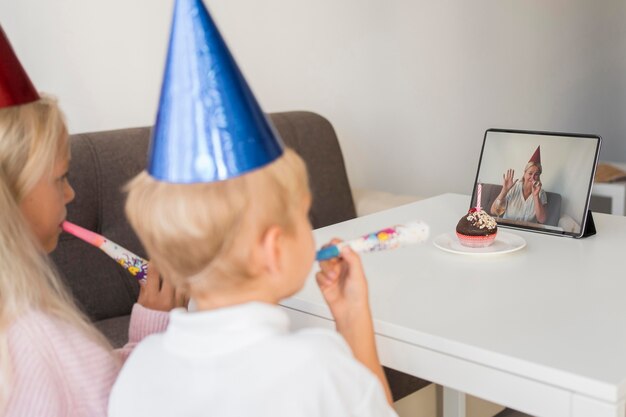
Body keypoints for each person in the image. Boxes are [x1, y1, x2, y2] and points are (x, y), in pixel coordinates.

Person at [108, 0, 396, 415]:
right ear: (273, 247)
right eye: (303, 215)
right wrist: (353, 322)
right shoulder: (318, 367)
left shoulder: (138, 372)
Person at [0, 26, 180, 416]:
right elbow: (125, 402)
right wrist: (155, 331)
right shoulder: (40, 342)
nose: (70, 195)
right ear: (10, 195)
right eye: (60, 179)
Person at [490, 146, 548, 224]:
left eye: (536, 174)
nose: (533, 177)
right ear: (524, 173)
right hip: (509, 227)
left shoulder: (541, 193)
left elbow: (542, 220)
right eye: (530, 173)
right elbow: (493, 211)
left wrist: (535, 196)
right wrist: (504, 191)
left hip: (527, 231)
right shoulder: (513, 187)